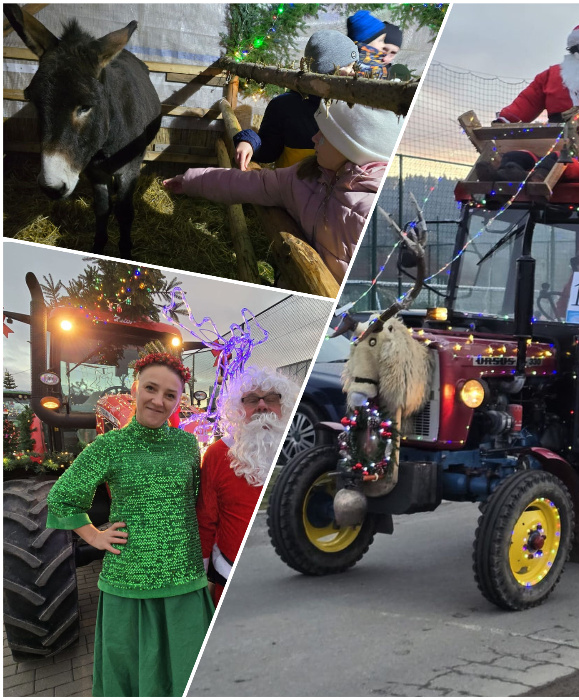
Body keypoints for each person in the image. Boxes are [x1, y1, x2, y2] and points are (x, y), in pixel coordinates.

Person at [45, 354, 210, 696]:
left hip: (184, 580)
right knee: (131, 676)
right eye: (151, 388)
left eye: (170, 394)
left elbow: (191, 501)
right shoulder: (109, 446)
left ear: (179, 401)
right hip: (128, 582)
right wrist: (93, 536)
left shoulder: (186, 445)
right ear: (135, 389)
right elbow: (62, 497)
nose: (158, 400)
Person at [164, 100, 403, 282]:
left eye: (325, 135)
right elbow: (247, 183)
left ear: (351, 148)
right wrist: (189, 181)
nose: (313, 137)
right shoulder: (306, 175)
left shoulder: (370, 212)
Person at [197, 366, 297, 605]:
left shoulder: (295, 448)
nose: (262, 406)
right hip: (228, 576)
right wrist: (200, 579)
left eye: (272, 398)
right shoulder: (217, 453)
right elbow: (205, 520)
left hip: (292, 571)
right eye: (252, 399)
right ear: (238, 408)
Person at [232, 32, 363, 171]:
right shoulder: (285, 107)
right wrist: (249, 141)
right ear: (325, 70)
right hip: (290, 187)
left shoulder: (350, 107)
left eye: (354, 67)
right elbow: (267, 152)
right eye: (347, 67)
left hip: (335, 190)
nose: (353, 73)